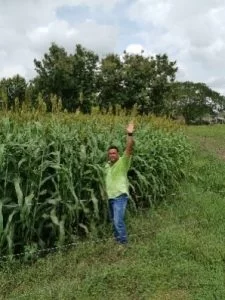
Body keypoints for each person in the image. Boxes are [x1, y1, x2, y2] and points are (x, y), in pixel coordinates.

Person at [105, 121, 134, 244]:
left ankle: (123, 244)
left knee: (118, 221)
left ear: (117, 154)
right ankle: (118, 242)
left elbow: (129, 149)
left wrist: (130, 134)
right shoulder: (106, 166)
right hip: (110, 197)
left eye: (114, 153)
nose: (112, 155)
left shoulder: (122, 162)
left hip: (120, 196)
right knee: (114, 221)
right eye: (110, 153)